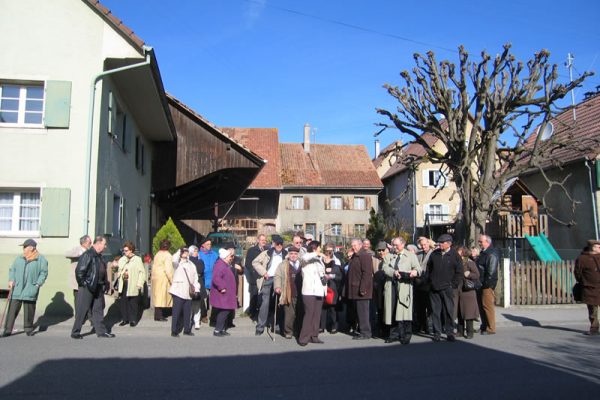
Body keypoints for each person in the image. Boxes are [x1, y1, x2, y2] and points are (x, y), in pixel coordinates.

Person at [2, 239, 48, 337]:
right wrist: (11, 280)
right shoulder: (19, 258)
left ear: (31, 248)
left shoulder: (41, 259)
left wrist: (37, 284)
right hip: (17, 287)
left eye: (25, 247)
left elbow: (43, 273)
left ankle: (28, 329)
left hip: (30, 288)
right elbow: (12, 270)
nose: (23, 249)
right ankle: (7, 330)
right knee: (12, 310)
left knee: (29, 310)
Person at [71, 236, 114, 339]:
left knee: (98, 310)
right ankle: (75, 332)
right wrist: (85, 284)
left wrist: (105, 283)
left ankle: (101, 332)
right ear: (98, 244)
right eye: (104, 244)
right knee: (82, 310)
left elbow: (102, 270)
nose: (105, 246)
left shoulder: (99, 256)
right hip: (88, 287)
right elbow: (79, 272)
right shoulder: (88, 255)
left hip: (98, 287)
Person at [382, 237, 421, 344]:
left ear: (403, 244)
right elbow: (385, 268)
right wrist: (394, 272)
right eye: (393, 245)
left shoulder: (411, 256)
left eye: (397, 245)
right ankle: (393, 334)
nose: (394, 247)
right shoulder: (388, 256)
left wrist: (414, 272)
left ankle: (406, 335)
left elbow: (418, 269)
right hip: (391, 286)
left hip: (405, 286)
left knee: (405, 311)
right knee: (393, 310)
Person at [426, 234, 462, 342]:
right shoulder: (434, 254)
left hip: (447, 288)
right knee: (435, 312)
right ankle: (437, 332)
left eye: (442, 243)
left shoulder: (455, 255)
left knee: (448, 311)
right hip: (434, 288)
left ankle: (449, 332)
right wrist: (430, 282)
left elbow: (459, 272)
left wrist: (453, 285)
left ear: (449, 243)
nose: (440, 244)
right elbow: (429, 269)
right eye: (439, 242)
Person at [252, 234, 287, 336]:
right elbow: (255, 262)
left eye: (281, 244)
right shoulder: (266, 253)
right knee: (265, 303)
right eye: (277, 244)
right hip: (269, 278)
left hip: (280, 280)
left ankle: (277, 325)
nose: (279, 245)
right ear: (273, 244)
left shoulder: (286, 254)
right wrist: (264, 272)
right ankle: (260, 326)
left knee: (279, 303)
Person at [298, 241, 327, 346]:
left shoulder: (318, 260)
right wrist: (317, 253)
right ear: (315, 248)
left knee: (317, 315)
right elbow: (303, 258)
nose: (321, 249)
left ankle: (314, 336)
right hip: (309, 291)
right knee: (309, 314)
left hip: (319, 290)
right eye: (319, 247)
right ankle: (303, 338)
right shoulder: (306, 257)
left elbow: (321, 274)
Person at [347, 238, 374, 340]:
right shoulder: (356, 255)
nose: (353, 247)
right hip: (355, 288)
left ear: (360, 245)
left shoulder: (365, 255)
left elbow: (367, 273)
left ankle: (366, 333)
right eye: (352, 245)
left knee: (363, 312)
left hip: (361, 290)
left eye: (355, 245)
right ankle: (361, 331)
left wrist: (363, 288)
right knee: (359, 312)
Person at [169, 247, 199, 337]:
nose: (185, 253)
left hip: (188, 291)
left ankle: (187, 329)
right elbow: (174, 259)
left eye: (186, 251)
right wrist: (179, 251)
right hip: (178, 290)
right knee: (176, 312)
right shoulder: (178, 263)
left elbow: (195, 278)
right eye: (184, 252)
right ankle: (174, 330)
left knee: (187, 312)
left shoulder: (191, 264)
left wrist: (196, 289)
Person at [274, 246, 303, 339]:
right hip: (288, 293)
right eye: (291, 254)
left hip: (302, 293)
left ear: (298, 255)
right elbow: (277, 276)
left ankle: (298, 330)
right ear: (288, 254)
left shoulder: (303, 264)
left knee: (300, 313)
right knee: (289, 314)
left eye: (295, 254)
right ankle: (288, 332)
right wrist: (277, 286)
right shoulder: (283, 265)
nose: (293, 255)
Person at [115, 241, 146, 327]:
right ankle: (125, 319)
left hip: (133, 283)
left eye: (126, 250)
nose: (125, 252)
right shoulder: (122, 259)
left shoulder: (137, 259)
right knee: (123, 302)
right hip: (124, 283)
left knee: (133, 303)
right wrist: (121, 274)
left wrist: (139, 284)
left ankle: (133, 320)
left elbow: (142, 273)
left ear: (131, 250)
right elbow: (119, 270)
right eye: (124, 250)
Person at [574, 239, 600, 336]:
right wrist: (584, 282)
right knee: (593, 310)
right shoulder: (582, 259)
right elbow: (577, 273)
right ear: (592, 248)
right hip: (590, 288)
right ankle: (594, 329)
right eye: (598, 247)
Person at [210, 248, 238, 337]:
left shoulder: (224, 264)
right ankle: (217, 330)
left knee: (226, 311)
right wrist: (222, 287)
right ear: (225, 257)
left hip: (226, 293)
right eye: (230, 256)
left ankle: (222, 329)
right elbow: (216, 278)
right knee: (224, 311)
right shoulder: (220, 265)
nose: (232, 258)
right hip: (222, 293)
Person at [456, 246, 480, 339]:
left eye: (459, 251)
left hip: (468, 291)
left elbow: (477, 274)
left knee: (468, 312)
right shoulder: (457, 262)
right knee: (460, 312)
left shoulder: (470, 262)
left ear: (463, 252)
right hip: (459, 290)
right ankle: (460, 331)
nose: (457, 253)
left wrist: (469, 274)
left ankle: (470, 332)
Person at [477, 234, 499, 335]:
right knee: (482, 306)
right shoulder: (484, 253)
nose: (479, 243)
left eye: (481, 242)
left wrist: (485, 284)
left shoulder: (491, 254)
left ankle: (491, 328)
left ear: (487, 242)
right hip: (481, 283)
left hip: (487, 285)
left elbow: (491, 272)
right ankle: (484, 325)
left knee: (487, 306)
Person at [320, 242, 343, 334]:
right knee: (323, 307)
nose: (328, 252)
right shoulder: (320, 260)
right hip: (322, 286)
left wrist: (331, 275)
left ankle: (334, 326)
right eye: (327, 250)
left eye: (330, 250)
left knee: (333, 307)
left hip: (333, 287)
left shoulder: (336, 261)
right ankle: (322, 326)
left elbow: (339, 276)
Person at [243, 234, 268, 321]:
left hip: (265, 276)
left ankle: (262, 313)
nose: (264, 241)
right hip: (255, 277)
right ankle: (253, 313)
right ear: (258, 240)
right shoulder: (252, 250)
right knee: (254, 295)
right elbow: (248, 264)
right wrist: (254, 272)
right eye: (262, 240)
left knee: (264, 296)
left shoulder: (268, 250)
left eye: (265, 240)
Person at [414, 236, 434, 334]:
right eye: (421, 245)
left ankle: (429, 326)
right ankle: (422, 325)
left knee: (430, 307)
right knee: (420, 307)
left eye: (425, 244)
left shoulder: (433, 253)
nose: (423, 246)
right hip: (419, 283)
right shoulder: (418, 254)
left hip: (429, 283)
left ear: (429, 244)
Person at [65, 235, 92, 307]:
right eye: (89, 242)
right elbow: (66, 254)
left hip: (87, 280)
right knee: (78, 300)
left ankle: (86, 316)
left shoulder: (90, 251)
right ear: (84, 243)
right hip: (77, 281)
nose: (91, 244)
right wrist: (80, 254)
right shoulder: (77, 249)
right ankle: (78, 316)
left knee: (86, 301)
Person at [151, 239, 174, 321]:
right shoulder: (167, 255)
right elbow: (168, 270)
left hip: (156, 277)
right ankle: (159, 315)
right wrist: (172, 280)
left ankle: (158, 314)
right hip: (163, 278)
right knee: (161, 296)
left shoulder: (157, 254)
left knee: (157, 296)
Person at [199, 238, 218, 324]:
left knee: (213, 300)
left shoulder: (214, 254)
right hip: (203, 279)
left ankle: (213, 317)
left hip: (213, 279)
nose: (209, 246)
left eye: (210, 244)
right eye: (207, 244)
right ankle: (204, 316)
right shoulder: (199, 254)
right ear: (203, 245)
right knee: (203, 300)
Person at [373, 241, 390, 338]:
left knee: (387, 310)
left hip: (388, 287)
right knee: (379, 309)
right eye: (379, 250)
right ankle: (379, 330)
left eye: (383, 250)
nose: (381, 252)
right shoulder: (374, 259)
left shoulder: (392, 258)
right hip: (378, 288)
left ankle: (387, 331)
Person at [189, 245, 207, 330]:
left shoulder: (200, 261)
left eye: (197, 251)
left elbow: (200, 270)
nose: (196, 252)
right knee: (189, 304)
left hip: (199, 282)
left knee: (197, 303)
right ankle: (189, 320)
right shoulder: (188, 261)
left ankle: (197, 321)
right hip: (190, 283)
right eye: (195, 251)